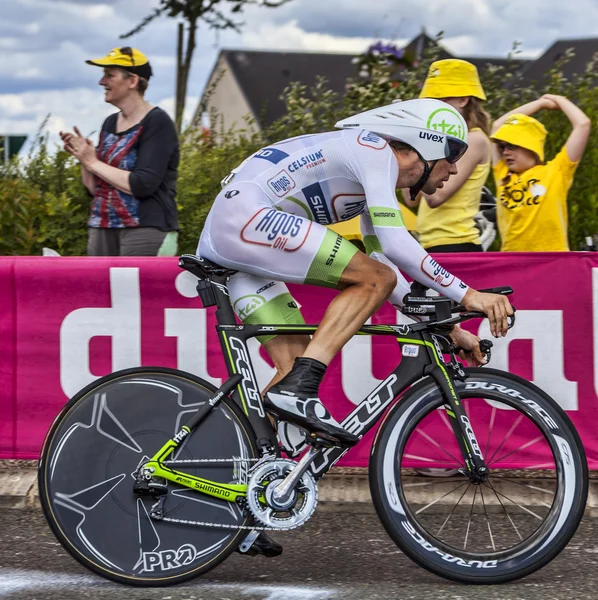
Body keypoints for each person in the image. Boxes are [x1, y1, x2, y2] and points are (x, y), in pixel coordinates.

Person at [199, 98, 513, 558]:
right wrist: (469, 297)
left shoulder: (373, 183)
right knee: (361, 292)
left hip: (239, 235)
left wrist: (448, 330)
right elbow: (391, 255)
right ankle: (302, 388)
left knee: (290, 364)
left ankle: (245, 506)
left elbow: (387, 269)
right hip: (245, 221)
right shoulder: (374, 151)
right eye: (452, 160)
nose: (452, 174)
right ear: (426, 149)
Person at [60, 47, 179, 256]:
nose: (101, 82)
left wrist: (93, 162)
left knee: (137, 289)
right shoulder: (110, 123)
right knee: (99, 289)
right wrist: (83, 157)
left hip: (144, 229)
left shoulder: (157, 122)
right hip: (102, 226)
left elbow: (143, 184)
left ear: (132, 81)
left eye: (109, 75)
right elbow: (94, 188)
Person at [406, 59, 491, 252]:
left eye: (441, 101)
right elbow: (412, 198)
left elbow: (436, 197)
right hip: (429, 243)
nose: (433, 108)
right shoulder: (440, 142)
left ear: (463, 100)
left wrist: (425, 152)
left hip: (457, 243)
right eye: (430, 102)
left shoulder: (475, 140)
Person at [490, 94, 591, 251]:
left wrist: (560, 100)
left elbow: (583, 124)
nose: (505, 153)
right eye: (502, 147)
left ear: (531, 146)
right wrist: (540, 103)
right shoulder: (502, 174)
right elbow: (497, 126)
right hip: (512, 262)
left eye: (512, 145)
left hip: (551, 262)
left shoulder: (556, 171)